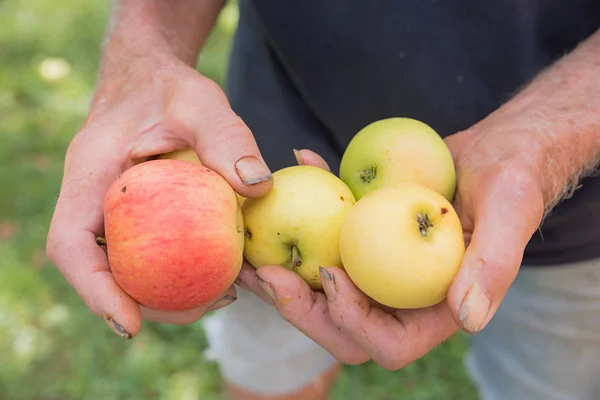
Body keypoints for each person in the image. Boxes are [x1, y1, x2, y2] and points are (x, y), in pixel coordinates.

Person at [46, 1, 600, 399]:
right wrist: (140, 55)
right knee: (268, 377)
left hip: (572, 195)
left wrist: (550, 136)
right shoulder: (231, 205)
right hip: (255, 178)